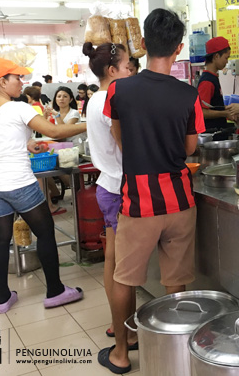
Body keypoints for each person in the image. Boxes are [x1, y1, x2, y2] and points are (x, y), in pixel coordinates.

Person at [98, 9, 205, 374]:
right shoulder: (188, 94)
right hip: (179, 200)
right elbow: (191, 149)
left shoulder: (119, 89)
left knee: (125, 278)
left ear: (143, 45)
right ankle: (177, 355)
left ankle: (121, 353)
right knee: (177, 282)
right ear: (178, 48)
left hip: (139, 204)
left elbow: (119, 138)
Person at [0, 58, 87, 314]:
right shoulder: (18, 109)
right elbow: (55, 133)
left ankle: (3, 298)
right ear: (2, 82)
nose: (21, 83)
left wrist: (26, 145)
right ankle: (55, 291)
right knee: (45, 233)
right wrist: (95, 123)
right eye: (16, 78)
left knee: (1, 240)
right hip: (19, 183)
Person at [82, 41, 137, 348]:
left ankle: (120, 326)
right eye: (128, 66)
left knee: (113, 260)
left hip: (108, 184)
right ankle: (124, 331)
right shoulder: (109, 101)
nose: (131, 71)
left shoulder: (95, 98)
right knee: (121, 266)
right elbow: (128, 146)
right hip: (118, 188)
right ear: (112, 70)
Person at [197, 36, 234, 131]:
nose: (227, 61)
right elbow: (202, 112)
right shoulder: (207, 81)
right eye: (226, 58)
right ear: (216, 56)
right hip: (211, 135)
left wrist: (228, 109)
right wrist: (225, 113)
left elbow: (213, 106)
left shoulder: (213, 77)